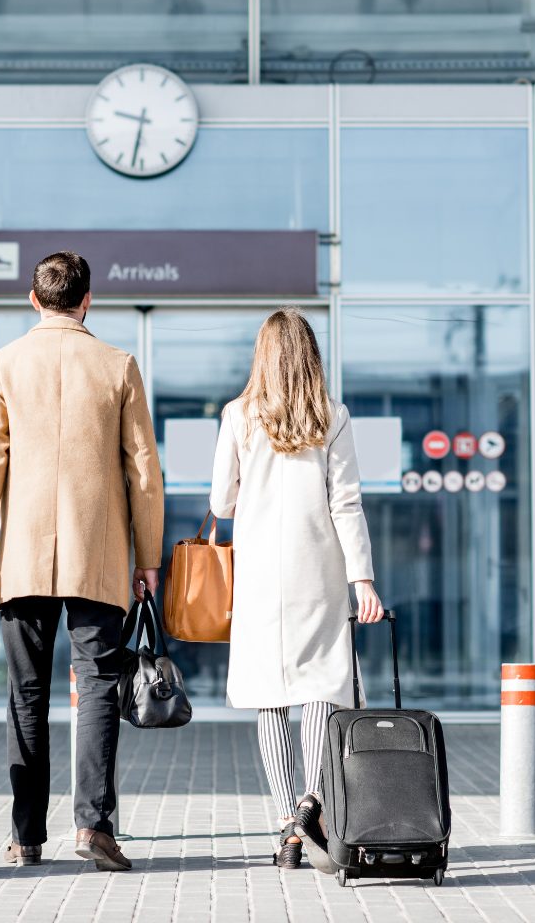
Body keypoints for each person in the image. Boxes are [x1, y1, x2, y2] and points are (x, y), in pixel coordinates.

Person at [0, 252, 164, 872]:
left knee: (27, 693)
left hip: (21, 557)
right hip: (97, 556)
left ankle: (26, 837)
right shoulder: (117, 365)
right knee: (97, 686)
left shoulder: (5, 364)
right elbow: (144, 473)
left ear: (33, 298)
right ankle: (94, 826)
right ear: (88, 300)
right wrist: (149, 557)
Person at [209, 307, 383, 872]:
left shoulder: (238, 415)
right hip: (320, 570)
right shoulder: (330, 416)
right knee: (318, 688)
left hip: (260, 576)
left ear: (262, 356)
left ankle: (288, 825)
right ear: (310, 356)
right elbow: (347, 503)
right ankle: (314, 802)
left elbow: (220, 504)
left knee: (270, 695)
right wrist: (363, 579)